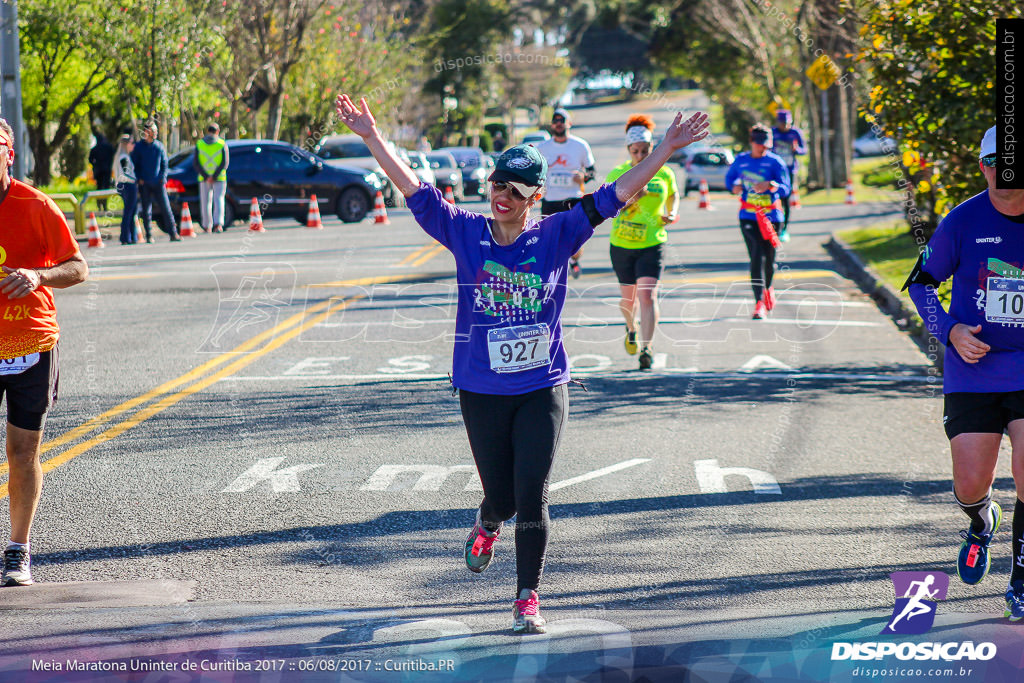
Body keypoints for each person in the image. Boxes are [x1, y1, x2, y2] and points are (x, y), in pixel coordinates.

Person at [335, 93, 708, 634]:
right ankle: (487, 522)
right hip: (482, 389)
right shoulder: (466, 233)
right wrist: (372, 137)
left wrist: (667, 148)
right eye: (496, 185)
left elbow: (614, 195)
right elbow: (415, 190)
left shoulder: (557, 234)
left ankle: (527, 596)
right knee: (504, 499)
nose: (501, 196)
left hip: (543, 384)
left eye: (514, 189)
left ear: (535, 196)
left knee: (533, 490)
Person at [904, 125, 1024, 621]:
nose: (1003, 169)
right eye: (995, 160)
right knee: (972, 481)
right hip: (973, 370)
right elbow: (920, 286)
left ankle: (1020, 582)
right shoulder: (964, 220)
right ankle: (981, 520)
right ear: (983, 166)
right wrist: (950, 331)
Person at [0, 117, 89, 586]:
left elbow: (78, 267)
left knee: (22, 449)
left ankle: (18, 549)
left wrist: (37, 276)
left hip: (31, 342)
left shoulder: (34, 205)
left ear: (8, 154)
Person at [604, 114, 678, 370]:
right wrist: (633, 199)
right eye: (635, 151)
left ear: (651, 148)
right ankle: (630, 328)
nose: (640, 155)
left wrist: (672, 211)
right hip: (623, 244)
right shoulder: (618, 174)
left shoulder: (664, 173)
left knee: (648, 296)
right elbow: (607, 209)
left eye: (645, 150)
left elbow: (674, 194)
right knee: (629, 300)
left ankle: (647, 347)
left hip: (652, 242)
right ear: (628, 150)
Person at [724, 124, 791, 320]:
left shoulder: (775, 162)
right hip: (748, 216)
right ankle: (758, 303)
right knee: (756, 255)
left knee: (769, 258)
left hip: (771, 217)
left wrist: (772, 186)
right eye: (759, 144)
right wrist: (734, 187)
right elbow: (729, 180)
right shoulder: (741, 161)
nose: (763, 148)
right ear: (752, 142)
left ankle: (768, 288)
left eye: (766, 145)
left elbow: (786, 188)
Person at [535, 108, 596, 278]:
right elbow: (535, 173)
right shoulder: (543, 148)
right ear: (552, 125)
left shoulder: (580, 145)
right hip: (550, 200)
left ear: (569, 123)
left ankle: (574, 260)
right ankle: (556, 270)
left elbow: (592, 172)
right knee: (550, 239)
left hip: (573, 199)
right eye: (555, 120)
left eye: (562, 120)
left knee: (574, 238)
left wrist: (583, 177)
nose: (559, 124)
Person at [130, 121, 179, 242]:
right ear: (146, 132)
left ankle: (173, 233)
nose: (155, 133)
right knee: (146, 210)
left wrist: (163, 177)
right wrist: (139, 178)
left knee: (166, 208)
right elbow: (134, 165)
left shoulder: (159, 146)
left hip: (158, 183)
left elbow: (164, 164)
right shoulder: (139, 147)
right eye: (153, 131)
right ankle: (149, 235)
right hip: (144, 183)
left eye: (156, 131)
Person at [771, 110, 805, 241]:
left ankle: (783, 230)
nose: (785, 126)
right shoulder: (773, 133)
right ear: (778, 122)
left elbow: (804, 150)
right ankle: (772, 227)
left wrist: (797, 150)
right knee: (772, 199)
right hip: (773, 171)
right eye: (782, 123)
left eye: (787, 123)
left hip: (789, 171)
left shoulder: (795, 133)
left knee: (786, 199)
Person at [193, 123, 230, 233]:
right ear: (217, 131)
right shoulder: (222, 144)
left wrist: (206, 176)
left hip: (204, 178)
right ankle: (218, 224)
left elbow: (196, 163)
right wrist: (214, 176)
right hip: (219, 178)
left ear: (207, 131)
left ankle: (206, 225)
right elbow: (225, 162)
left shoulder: (200, 144)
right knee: (219, 200)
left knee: (205, 202)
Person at [113, 134, 138, 245]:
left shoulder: (122, 156)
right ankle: (125, 237)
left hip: (125, 185)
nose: (133, 145)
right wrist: (136, 180)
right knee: (129, 212)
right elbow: (127, 174)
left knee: (131, 211)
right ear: (126, 144)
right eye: (131, 143)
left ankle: (131, 237)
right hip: (128, 185)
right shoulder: (124, 157)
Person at [88, 132, 115, 211]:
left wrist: (95, 164)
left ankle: (99, 204)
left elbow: (90, 159)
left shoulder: (95, 148)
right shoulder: (109, 147)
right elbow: (113, 156)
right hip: (107, 170)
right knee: (106, 188)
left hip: (98, 171)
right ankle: (105, 205)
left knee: (99, 188)